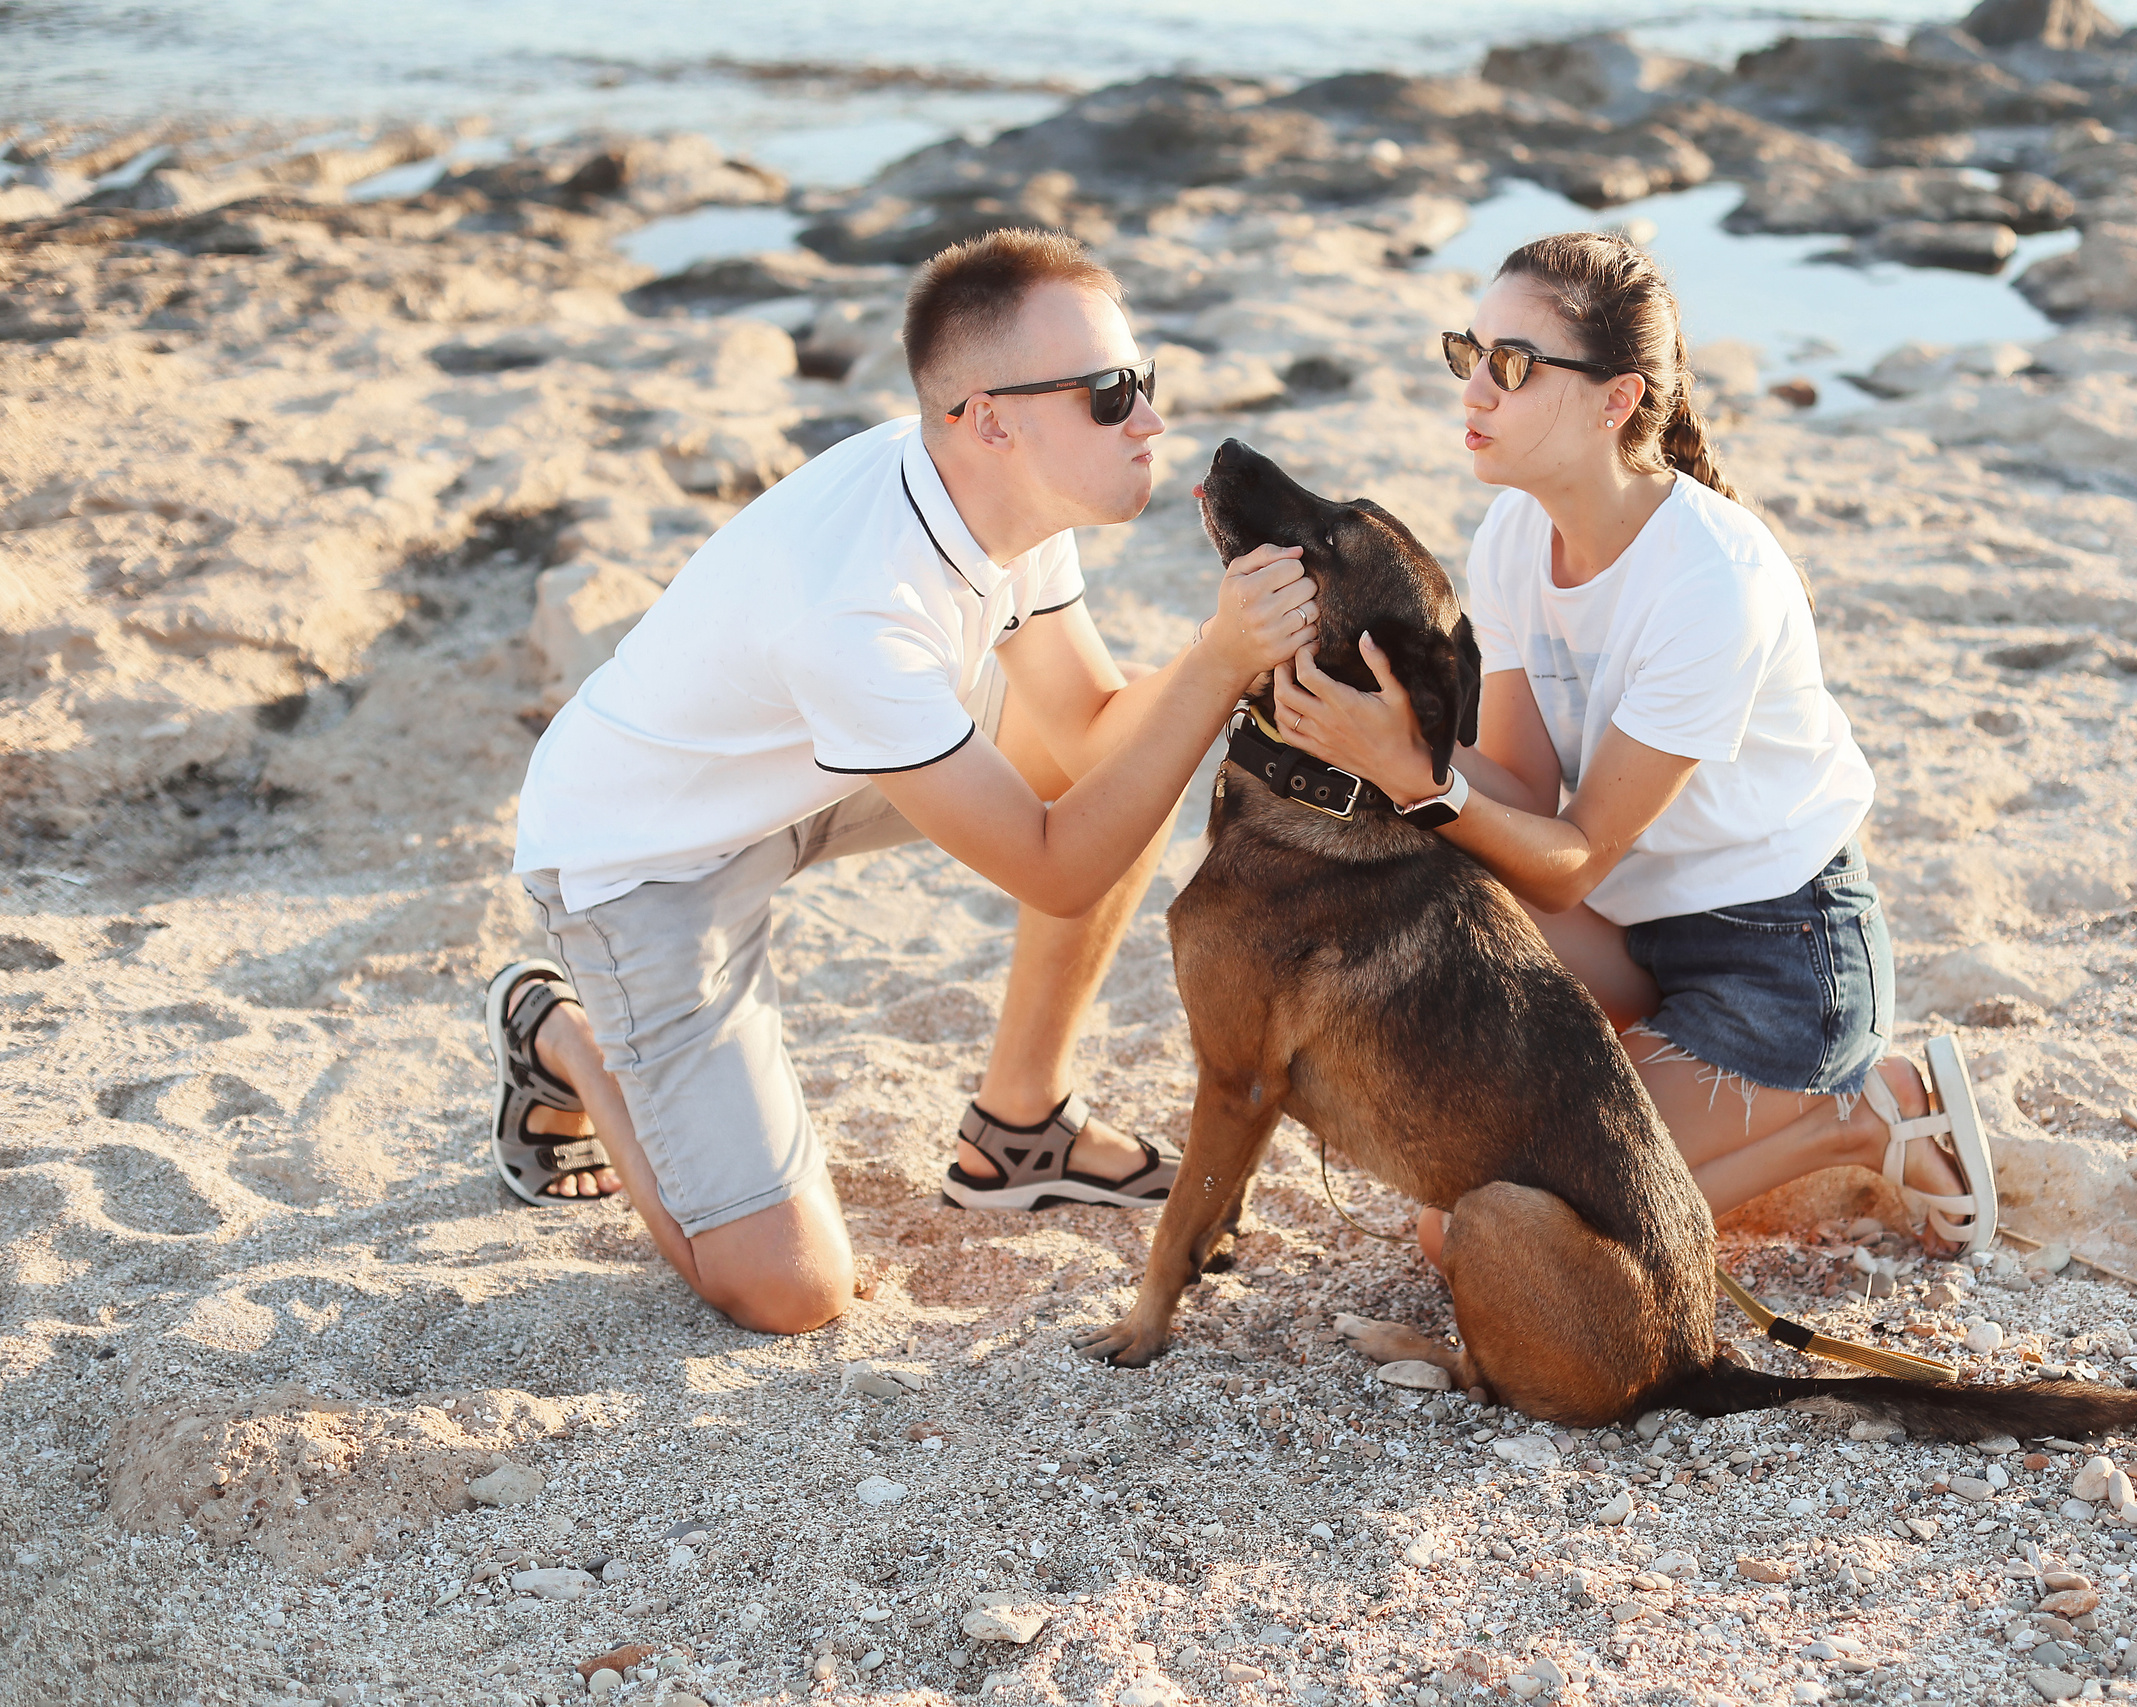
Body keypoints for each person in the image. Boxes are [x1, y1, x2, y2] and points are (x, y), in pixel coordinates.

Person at [489, 229, 1317, 1334]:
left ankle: (1017, 1131)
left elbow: (1087, 731)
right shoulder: (858, 610)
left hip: (801, 769)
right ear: (989, 419)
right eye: (1112, 394)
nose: (1153, 421)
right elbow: (1056, 869)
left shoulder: (1009, 497)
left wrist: (1228, 665)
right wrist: (1217, 661)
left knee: (1127, 772)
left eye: (1145, 380)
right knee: (788, 1292)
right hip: (642, 860)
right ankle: (562, 1035)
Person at [1272, 231, 1999, 1264]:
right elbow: (1520, 787)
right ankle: (1688, 1093)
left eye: (1512, 366)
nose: (1473, 390)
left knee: (1471, 1239)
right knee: (1417, 855)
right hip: (1636, 933)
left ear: (1616, 401)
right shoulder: (1516, 535)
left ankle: (1862, 1116)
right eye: (1466, 354)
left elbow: (1569, 860)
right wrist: (1378, 719)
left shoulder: (1710, 579)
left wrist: (1414, 772)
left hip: (1781, 965)